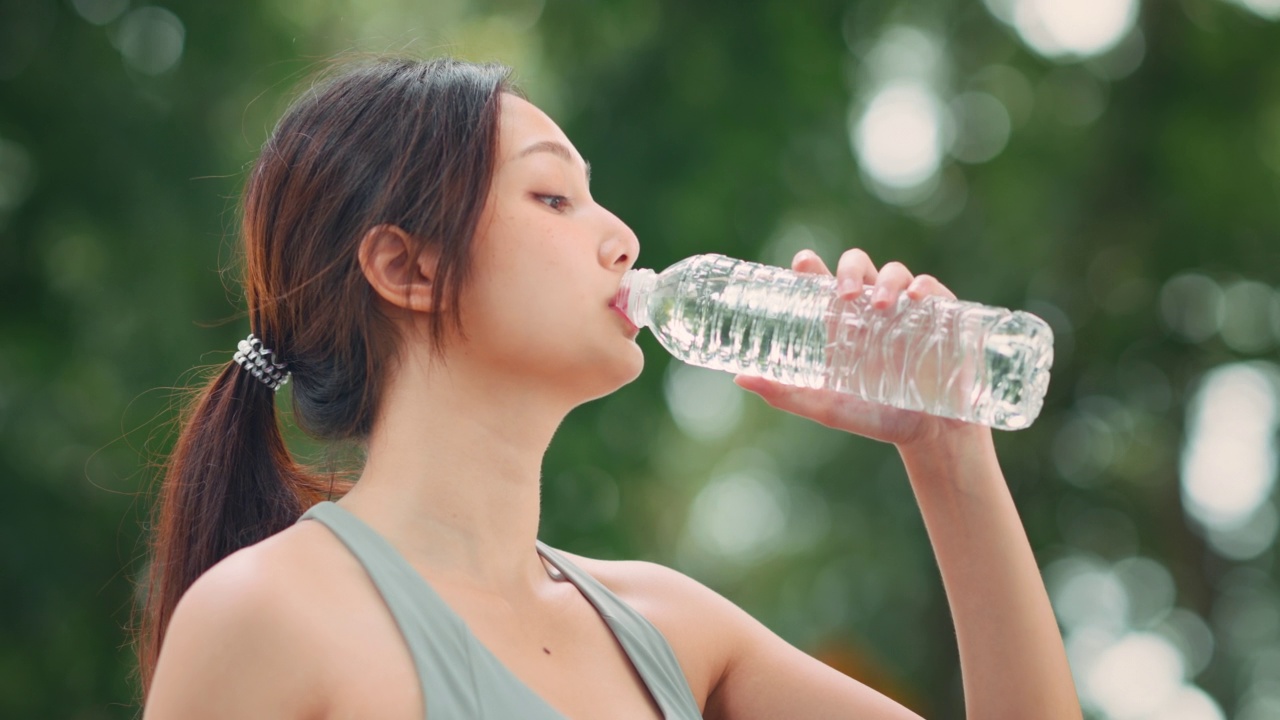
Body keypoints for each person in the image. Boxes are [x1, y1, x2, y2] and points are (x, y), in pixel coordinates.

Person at [137, 56, 1081, 719]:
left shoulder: (669, 627)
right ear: (406, 267)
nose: (622, 235)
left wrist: (947, 454)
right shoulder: (265, 618)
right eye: (554, 197)